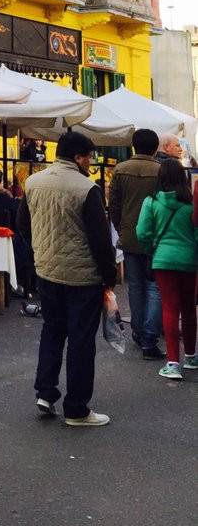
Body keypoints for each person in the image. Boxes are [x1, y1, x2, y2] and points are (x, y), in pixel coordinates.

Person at [17, 131, 117, 427]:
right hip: (82, 276)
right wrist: (109, 276)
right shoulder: (87, 189)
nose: (91, 163)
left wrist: (39, 250)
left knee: (52, 331)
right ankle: (76, 408)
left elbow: (22, 223)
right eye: (89, 157)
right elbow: (101, 240)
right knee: (81, 341)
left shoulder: (33, 182)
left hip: (47, 271)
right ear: (78, 157)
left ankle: (45, 392)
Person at [135, 157, 198, 380]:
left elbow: (142, 232)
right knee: (189, 309)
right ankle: (191, 356)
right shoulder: (190, 204)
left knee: (170, 309)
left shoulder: (151, 202)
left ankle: (173, 364)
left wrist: (153, 249)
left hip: (163, 260)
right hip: (189, 260)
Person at [107, 127, 163, 359]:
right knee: (155, 287)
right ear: (155, 148)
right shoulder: (161, 170)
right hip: (157, 236)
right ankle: (150, 338)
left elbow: (114, 204)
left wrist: (121, 227)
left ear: (133, 146)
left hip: (130, 235)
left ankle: (139, 333)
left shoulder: (120, 170)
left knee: (136, 286)